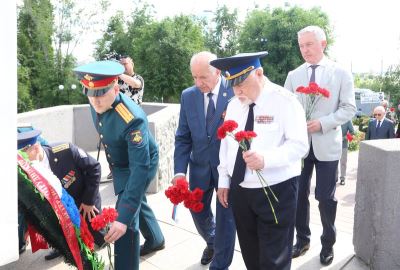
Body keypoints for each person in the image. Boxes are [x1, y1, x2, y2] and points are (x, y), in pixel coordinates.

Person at [212, 51, 309, 270]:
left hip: (276, 190)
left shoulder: (285, 101)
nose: (238, 91)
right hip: (241, 192)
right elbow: (226, 145)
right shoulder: (235, 104)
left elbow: (300, 145)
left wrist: (267, 159)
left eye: (242, 84)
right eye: (233, 85)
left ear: (259, 73)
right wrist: (224, 180)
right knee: (251, 254)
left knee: (274, 259)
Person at [73, 60, 164, 270]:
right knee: (135, 200)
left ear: (115, 88)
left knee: (126, 219)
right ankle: (156, 238)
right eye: (90, 93)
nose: (95, 100)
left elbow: (140, 169)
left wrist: (122, 218)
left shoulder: (133, 119)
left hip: (140, 163)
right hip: (121, 161)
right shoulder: (95, 96)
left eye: (101, 94)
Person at [284, 25, 356, 266]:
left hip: (328, 146)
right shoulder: (294, 75)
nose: (304, 50)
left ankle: (327, 244)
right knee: (297, 196)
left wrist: (322, 123)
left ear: (322, 44)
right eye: (301, 46)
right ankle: (302, 239)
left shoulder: (341, 73)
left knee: (325, 198)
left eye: (309, 44)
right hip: (299, 148)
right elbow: (286, 108)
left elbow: (349, 108)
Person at [173, 51, 236, 269]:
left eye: (203, 77)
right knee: (197, 211)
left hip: (226, 171)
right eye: (194, 77)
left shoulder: (235, 91)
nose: (198, 83)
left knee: (227, 220)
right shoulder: (188, 96)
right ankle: (213, 241)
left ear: (217, 71)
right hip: (199, 168)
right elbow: (182, 137)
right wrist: (179, 172)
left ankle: (220, 264)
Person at [17, 129, 106, 260]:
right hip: (59, 211)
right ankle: (63, 248)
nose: (22, 161)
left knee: (100, 239)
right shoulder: (27, 169)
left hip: (83, 203)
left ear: (35, 148)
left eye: (23, 155)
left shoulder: (65, 150)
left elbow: (95, 168)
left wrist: (89, 201)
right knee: (64, 242)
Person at [105, 56, 145, 181]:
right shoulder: (117, 80)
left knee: (133, 147)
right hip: (117, 119)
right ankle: (115, 170)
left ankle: (134, 172)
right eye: (120, 64)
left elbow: (135, 84)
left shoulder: (138, 78)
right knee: (114, 146)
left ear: (132, 63)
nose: (123, 66)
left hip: (133, 119)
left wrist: (119, 73)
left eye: (125, 63)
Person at [338, 120, 355, 185]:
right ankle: (334, 178)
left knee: (343, 162)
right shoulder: (333, 117)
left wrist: (343, 138)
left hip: (343, 145)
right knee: (333, 162)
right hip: (333, 145)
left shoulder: (347, 120)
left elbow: (352, 132)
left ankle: (342, 178)